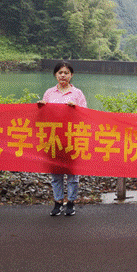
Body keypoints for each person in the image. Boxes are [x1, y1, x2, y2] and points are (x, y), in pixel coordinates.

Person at [37, 62, 87, 216]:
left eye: (66, 72)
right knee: (56, 173)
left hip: (71, 137)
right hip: (53, 138)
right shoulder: (49, 93)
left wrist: (75, 108)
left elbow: (85, 114)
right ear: (55, 75)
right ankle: (58, 202)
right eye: (60, 72)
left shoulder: (77, 93)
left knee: (72, 174)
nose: (63, 75)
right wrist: (41, 107)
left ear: (71, 75)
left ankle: (71, 202)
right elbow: (42, 117)